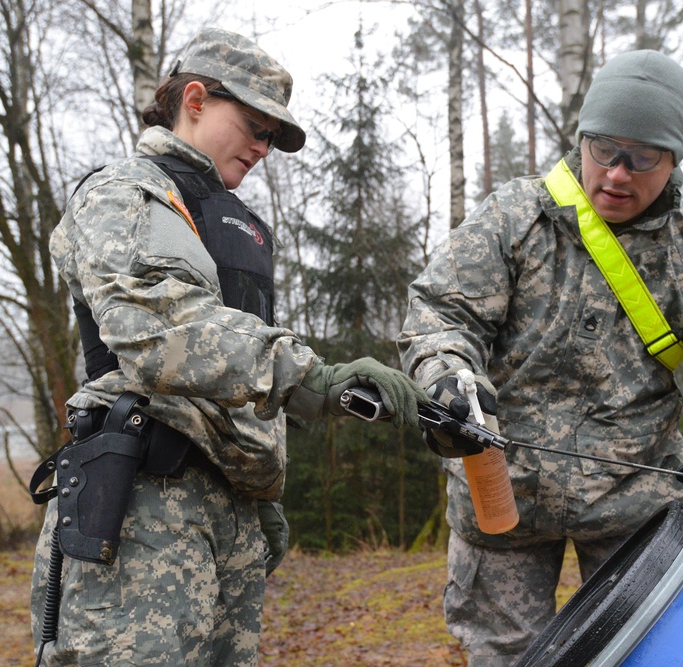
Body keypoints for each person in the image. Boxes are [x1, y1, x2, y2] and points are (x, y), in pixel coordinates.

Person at [397, 49, 683, 665]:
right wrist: (448, 378)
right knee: (506, 656)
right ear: (581, 139)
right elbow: (441, 314)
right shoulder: (516, 217)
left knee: (647, 654)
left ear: (674, 159)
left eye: (643, 157)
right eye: (604, 149)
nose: (618, 174)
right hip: (499, 496)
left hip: (637, 509)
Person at [30, 28, 426, 666]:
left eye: (274, 137)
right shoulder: (124, 192)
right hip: (142, 511)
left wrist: (256, 489)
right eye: (255, 126)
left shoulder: (234, 226)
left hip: (226, 517)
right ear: (194, 99)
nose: (264, 148)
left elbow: (233, 373)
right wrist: (313, 379)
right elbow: (161, 331)